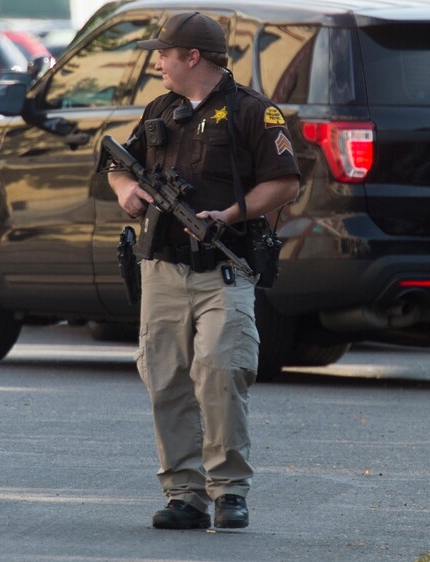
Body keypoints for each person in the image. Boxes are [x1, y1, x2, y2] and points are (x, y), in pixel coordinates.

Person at [108, 12, 300, 530]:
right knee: (166, 377)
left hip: (224, 270)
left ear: (192, 57)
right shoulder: (159, 110)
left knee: (220, 369)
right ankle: (184, 495)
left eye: (164, 54)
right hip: (162, 269)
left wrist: (230, 215)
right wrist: (127, 191)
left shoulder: (253, 113)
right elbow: (118, 162)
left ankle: (229, 490)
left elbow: (285, 183)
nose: (157, 62)